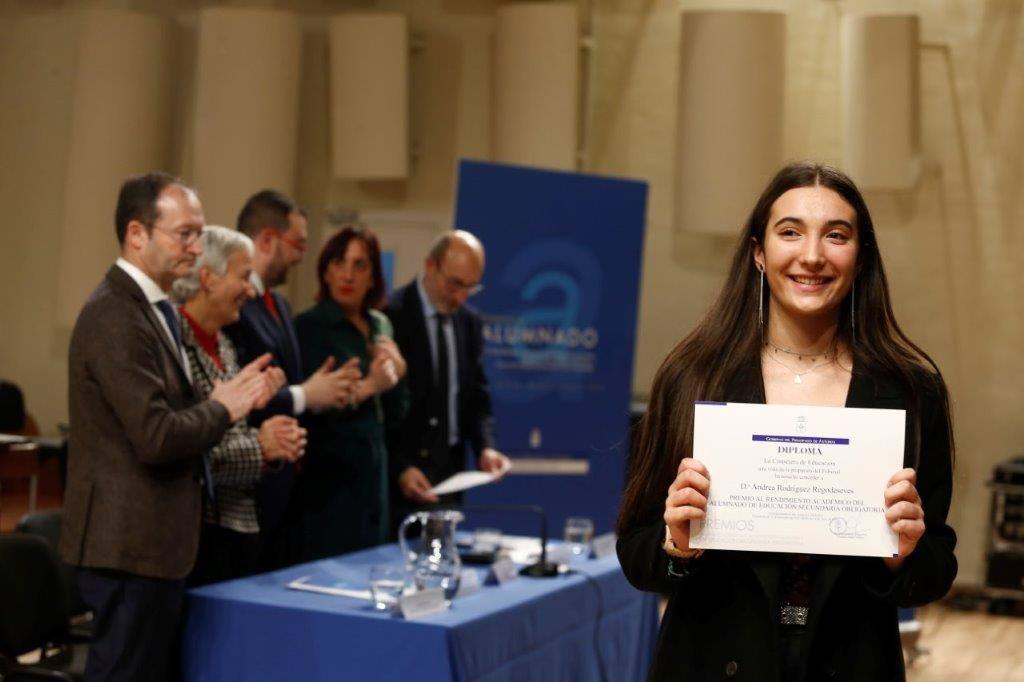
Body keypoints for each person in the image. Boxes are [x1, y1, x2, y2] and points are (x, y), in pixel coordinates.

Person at [616, 162, 956, 681]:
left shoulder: (911, 391)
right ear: (758, 252)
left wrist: (902, 555)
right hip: (710, 662)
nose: (813, 255)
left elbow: (935, 568)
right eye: (790, 232)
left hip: (852, 664)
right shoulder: (692, 378)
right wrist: (675, 546)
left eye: (836, 235)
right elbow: (635, 554)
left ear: (860, 256)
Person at [58, 173, 277, 680]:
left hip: (153, 544)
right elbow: (156, 436)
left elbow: (174, 417)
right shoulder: (115, 313)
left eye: (200, 234)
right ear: (137, 234)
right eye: (185, 234)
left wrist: (230, 398)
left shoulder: (156, 309)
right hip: (128, 547)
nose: (197, 248)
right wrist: (223, 407)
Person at [226, 189, 360, 569]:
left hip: (287, 488)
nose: (303, 256)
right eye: (298, 243)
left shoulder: (280, 304)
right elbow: (240, 391)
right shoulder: (235, 301)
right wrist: (305, 395)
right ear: (268, 239)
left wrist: (323, 388)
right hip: (248, 485)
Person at [172, 225, 308, 585]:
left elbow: (229, 434)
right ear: (208, 278)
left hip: (236, 535)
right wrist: (261, 448)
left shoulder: (226, 347)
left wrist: (272, 440)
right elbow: (187, 454)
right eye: (244, 277)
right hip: (194, 542)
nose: (250, 290)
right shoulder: (173, 348)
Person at [295, 225, 409, 559]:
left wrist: (399, 374)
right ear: (325, 271)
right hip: (329, 481)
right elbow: (313, 408)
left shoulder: (380, 325)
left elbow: (398, 411)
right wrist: (370, 384)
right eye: (339, 263)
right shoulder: (310, 326)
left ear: (373, 276)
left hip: (375, 476)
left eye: (360, 265)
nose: (348, 274)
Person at [385, 231, 510, 525]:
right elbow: (381, 412)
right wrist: (399, 468)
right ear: (430, 265)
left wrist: (485, 447)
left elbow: (476, 396)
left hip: (450, 475)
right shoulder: (391, 314)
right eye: (455, 284)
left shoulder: (469, 321)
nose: (460, 296)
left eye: (470, 287)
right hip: (401, 478)